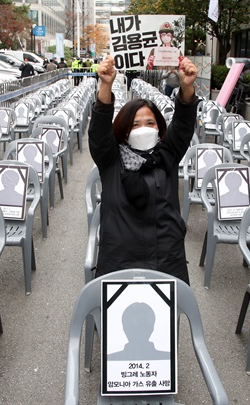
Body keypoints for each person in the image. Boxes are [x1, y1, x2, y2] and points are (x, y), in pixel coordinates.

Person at [89, 55, 198, 283]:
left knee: (167, 319)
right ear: (124, 130)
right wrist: (105, 86)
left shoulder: (167, 155)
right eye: (135, 124)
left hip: (167, 260)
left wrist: (186, 89)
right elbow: (99, 133)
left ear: (159, 127)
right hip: (118, 261)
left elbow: (183, 125)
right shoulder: (111, 160)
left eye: (150, 123)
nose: (143, 129)